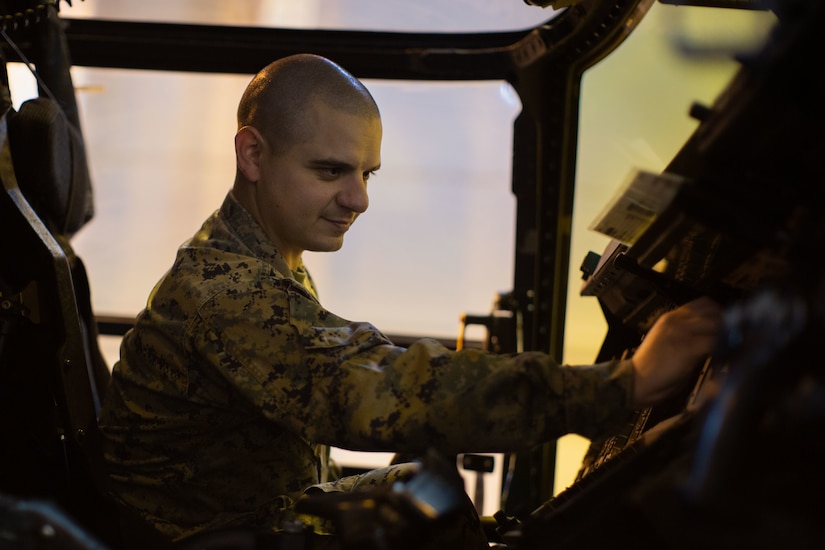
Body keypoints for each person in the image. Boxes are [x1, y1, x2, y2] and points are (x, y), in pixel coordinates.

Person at [97, 53, 723, 548]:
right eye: (330, 171)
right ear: (253, 154)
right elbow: (374, 387)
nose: (359, 199)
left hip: (244, 515)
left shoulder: (263, 260)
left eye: (367, 173)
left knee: (432, 490)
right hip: (204, 539)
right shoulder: (224, 292)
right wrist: (625, 386)